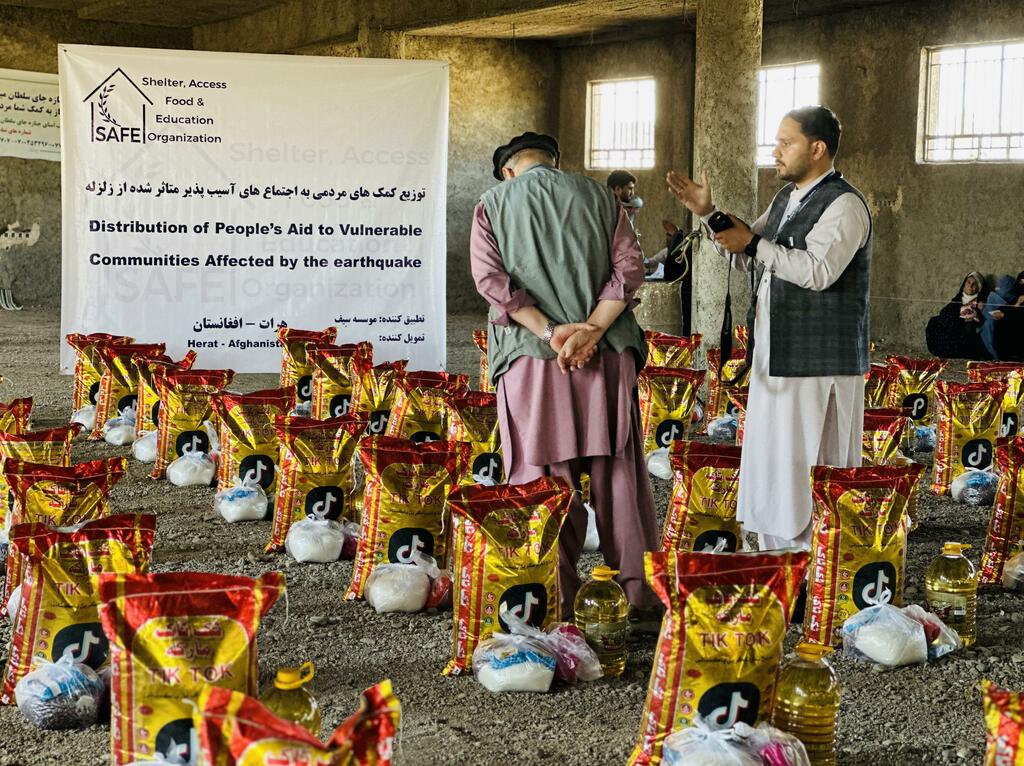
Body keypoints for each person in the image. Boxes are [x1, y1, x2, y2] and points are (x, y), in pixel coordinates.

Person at [470, 131, 661, 623]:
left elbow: (492, 282)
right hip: (606, 354)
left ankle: (554, 599)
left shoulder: (493, 204)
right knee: (619, 474)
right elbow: (630, 268)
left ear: (508, 170)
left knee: (542, 479)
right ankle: (637, 596)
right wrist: (592, 329)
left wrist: (551, 332)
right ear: (554, 163)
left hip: (534, 360)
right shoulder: (601, 197)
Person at [666, 105, 870, 552]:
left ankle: (816, 561)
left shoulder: (845, 205)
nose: (776, 151)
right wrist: (709, 214)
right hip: (775, 354)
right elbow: (747, 252)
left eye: (786, 142)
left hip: (819, 362)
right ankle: (779, 558)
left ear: (817, 149)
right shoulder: (786, 199)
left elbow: (818, 271)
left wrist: (754, 244)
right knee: (777, 462)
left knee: (813, 461)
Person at [925, 272, 990, 360]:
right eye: (968, 282)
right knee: (934, 321)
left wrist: (975, 314)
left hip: (967, 326)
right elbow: (944, 312)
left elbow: (983, 317)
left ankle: (960, 354)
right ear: (964, 284)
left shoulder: (980, 302)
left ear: (979, 287)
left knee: (966, 328)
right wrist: (956, 315)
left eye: (974, 284)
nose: (970, 286)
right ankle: (941, 351)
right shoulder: (958, 298)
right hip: (954, 321)